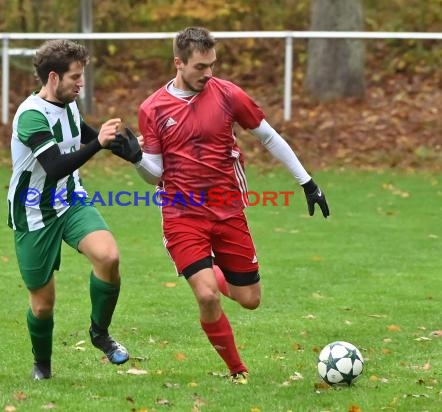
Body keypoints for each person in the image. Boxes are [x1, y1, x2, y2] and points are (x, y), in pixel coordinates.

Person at [113, 27, 329, 385]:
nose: (208, 73)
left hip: (228, 211)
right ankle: (237, 370)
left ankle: (211, 270)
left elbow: (269, 136)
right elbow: (156, 175)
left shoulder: (228, 94)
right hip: (181, 213)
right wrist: (136, 159)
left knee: (250, 299)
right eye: (200, 66)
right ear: (178, 63)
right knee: (207, 295)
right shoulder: (152, 108)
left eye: (212, 65)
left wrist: (306, 182)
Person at [6, 39, 130, 380]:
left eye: (81, 76)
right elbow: (56, 165)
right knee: (43, 305)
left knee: (108, 256)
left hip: (71, 199)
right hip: (33, 212)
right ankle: (42, 365)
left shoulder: (69, 103)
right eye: (75, 77)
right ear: (52, 78)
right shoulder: (31, 116)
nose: (81, 83)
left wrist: (134, 152)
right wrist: (98, 144)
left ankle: (100, 334)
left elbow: (88, 136)